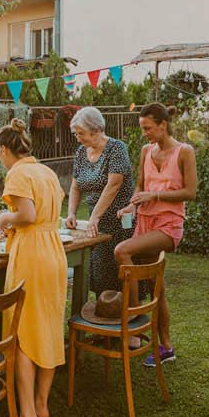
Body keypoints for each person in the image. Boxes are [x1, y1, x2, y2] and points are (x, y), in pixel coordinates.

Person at [0, 118, 67, 417]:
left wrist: (5, 218)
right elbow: (45, 214)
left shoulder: (18, 173)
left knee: (22, 332)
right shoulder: (47, 171)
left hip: (32, 255)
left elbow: (27, 215)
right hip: (54, 250)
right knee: (49, 326)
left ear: (3, 149)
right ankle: (41, 404)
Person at [115, 103, 197, 366]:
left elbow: (190, 193)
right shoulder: (145, 151)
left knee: (122, 250)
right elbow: (140, 186)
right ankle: (166, 347)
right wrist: (131, 204)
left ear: (163, 125)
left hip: (168, 225)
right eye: (142, 129)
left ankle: (136, 320)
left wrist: (157, 195)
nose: (145, 133)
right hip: (145, 221)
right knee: (156, 286)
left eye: (148, 128)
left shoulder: (184, 152)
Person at [65, 106, 134, 296]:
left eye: (81, 134)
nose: (78, 138)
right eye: (76, 134)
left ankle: (122, 311)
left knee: (117, 271)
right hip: (96, 221)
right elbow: (76, 186)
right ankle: (104, 309)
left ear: (96, 131)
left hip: (119, 221)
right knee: (98, 271)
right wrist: (71, 213)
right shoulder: (81, 152)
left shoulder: (117, 148)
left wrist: (95, 217)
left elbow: (114, 184)